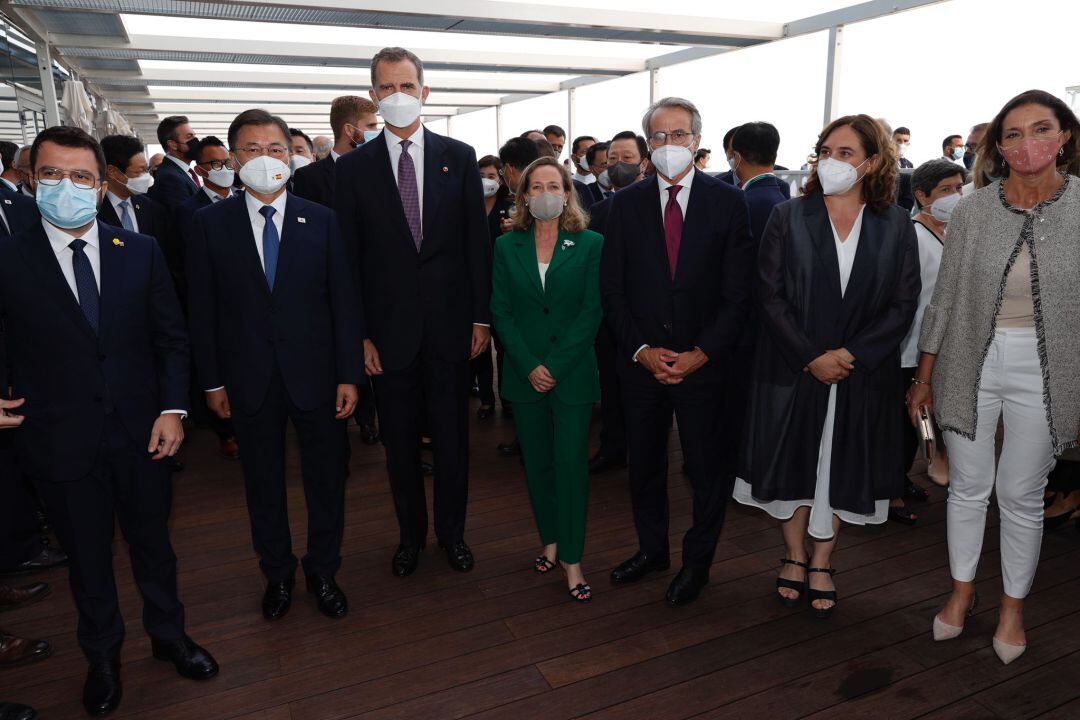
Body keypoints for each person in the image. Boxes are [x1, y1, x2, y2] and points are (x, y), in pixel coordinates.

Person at [0, 126, 218, 717]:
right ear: (31, 180)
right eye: (51, 174)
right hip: (57, 440)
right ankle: (102, 656)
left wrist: (175, 409)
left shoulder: (138, 251)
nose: (65, 186)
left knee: (154, 545)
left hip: (143, 434)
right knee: (89, 559)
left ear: (101, 186)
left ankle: (169, 636)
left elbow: (172, 340)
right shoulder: (8, 256)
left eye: (80, 176)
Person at [908, 89, 1080, 665]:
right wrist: (924, 377)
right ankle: (961, 592)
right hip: (968, 360)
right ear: (998, 148)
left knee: (1021, 493)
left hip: (1049, 366)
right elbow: (945, 300)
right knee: (967, 487)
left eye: (1040, 129)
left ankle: (1013, 607)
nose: (1027, 143)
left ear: (1065, 138)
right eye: (1013, 134)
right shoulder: (976, 210)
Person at [734, 114, 920, 618]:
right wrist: (811, 355)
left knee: (838, 465)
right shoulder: (788, 217)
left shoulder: (896, 223)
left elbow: (904, 302)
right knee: (792, 462)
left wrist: (852, 355)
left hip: (860, 373)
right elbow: (768, 296)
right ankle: (794, 555)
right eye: (825, 151)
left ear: (874, 162)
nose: (832, 162)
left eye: (845, 153)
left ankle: (822, 561)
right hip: (793, 367)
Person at [187, 110, 362, 623]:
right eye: (250, 149)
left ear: (292, 155)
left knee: (326, 479)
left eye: (275, 149)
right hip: (247, 378)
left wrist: (349, 372)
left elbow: (344, 303)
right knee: (262, 483)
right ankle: (278, 574)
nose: (265, 159)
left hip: (320, 376)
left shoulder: (323, 219)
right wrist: (212, 380)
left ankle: (324, 571)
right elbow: (202, 309)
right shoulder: (207, 223)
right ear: (233, 158)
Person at [334, 47, 492, 578]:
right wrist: (359, 337)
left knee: (453, 441)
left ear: (425, 91)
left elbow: (476, 244)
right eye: (386, 87)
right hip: (389, 335)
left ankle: (454, 534)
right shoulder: (353, 170)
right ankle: (409, 538)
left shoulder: (460, 156)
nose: (397, 96)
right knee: (399, 447)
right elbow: (349, 262)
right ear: (374, 96)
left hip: (451, 330)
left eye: (407, 86)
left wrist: (480, 318)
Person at [601, 97, 755, 607]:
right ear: (648, 145)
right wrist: (642, 349)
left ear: (697, 140)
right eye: (660, 137)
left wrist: (701, 353)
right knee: (643, 464)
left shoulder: (728, 203)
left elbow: (739, 294)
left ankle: (697, 563)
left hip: (705, 365)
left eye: (680, 135)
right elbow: (613, 291)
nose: (670, 145)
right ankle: (652, 550)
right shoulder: (622, 206)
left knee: (706, 468)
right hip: (643, 364)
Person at [491, 156, 602, 602]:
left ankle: (573, 558)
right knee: (537, 466)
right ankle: (550, 542)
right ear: (523, 196)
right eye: (535, 187)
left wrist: (554, 367)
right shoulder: (506, 247)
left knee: (571, 466)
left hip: (571, 375)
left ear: (567, 191)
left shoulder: (591, 243)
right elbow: (501, 311)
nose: (544, 194)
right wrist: (527, 364)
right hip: (523, 375)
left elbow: (591, 311)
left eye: (552, 185)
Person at [292, 96, 381, 445]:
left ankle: (374, 415)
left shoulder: (382, 168)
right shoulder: (310, 177)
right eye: (372, 126)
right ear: (350, 130)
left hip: (373, 281)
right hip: (328, 284)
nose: (379, 132)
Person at [893, 159, 966, 524]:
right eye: (945, 190)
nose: (955, 196)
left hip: (942, 348)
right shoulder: (911, 236)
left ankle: (901, 479)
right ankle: (889, 491)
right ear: (921, 195)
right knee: (903, 421)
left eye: (958, 188)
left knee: (922, 416)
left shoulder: (955, 232)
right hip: (910, 347)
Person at [172, 136, 241, 461]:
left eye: (227, 162)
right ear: (200, 169)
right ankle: (226, 431)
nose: (224, 169)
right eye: (216, 164)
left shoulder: (244, 201)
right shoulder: (190, 211)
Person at [588, 130, 648, 475]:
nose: (619, 165)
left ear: (643, 161)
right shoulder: (598, 210)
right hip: (608, 315)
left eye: (626, 158)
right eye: (612, 159)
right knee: (610, 384)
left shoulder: (657, 207)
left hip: (647, 317)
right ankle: (613, 447)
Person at [98, 135, 175, 279]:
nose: (146, 177)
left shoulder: (153, 209)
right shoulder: (94, 212)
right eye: (139, 171)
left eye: (146, 170)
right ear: (112, 172)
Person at [473, 155, 512, 421]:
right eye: (482, 175)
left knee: (506, 344)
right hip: (476, 286)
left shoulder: (510, 208)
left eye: (492, 176)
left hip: (503, 285)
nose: (487, 181)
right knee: (480, 346)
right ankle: (486, 398)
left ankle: (508, 398)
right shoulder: (467, 206)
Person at [149, 115, 200, 211]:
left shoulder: (181, 172)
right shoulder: (170, 177)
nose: (196, 141)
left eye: (194, 136)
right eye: (189, 136)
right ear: (173, 144)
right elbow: (185, 218)